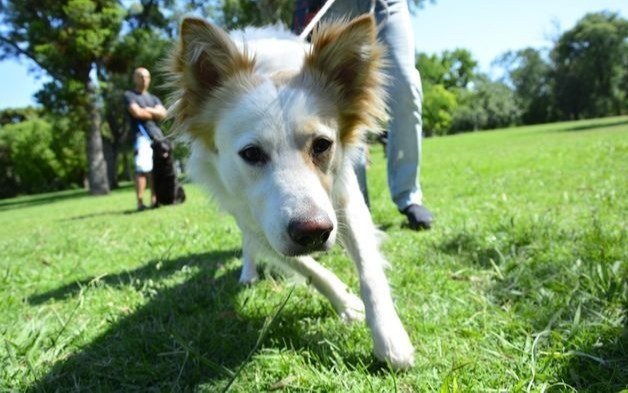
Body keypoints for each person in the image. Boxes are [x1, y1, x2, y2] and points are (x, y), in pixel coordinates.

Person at [293, 0, 434, 230]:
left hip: (387, 4)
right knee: (342, 106)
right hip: (326, 5)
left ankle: (409, 197)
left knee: (406, 87)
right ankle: (352, 209)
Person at [124, 67, 168, 211]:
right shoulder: (130, 95)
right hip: (141, 136)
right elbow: (136, 113)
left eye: (147, 77)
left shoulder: (153, 98)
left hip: (157, 136)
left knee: (155, 169)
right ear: (135, 78)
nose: (144, 79)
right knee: (142, 169)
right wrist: (154, 112)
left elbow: (164, 114)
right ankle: (140, 202)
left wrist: (148, 111)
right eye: (141, 76)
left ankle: (155, 199)